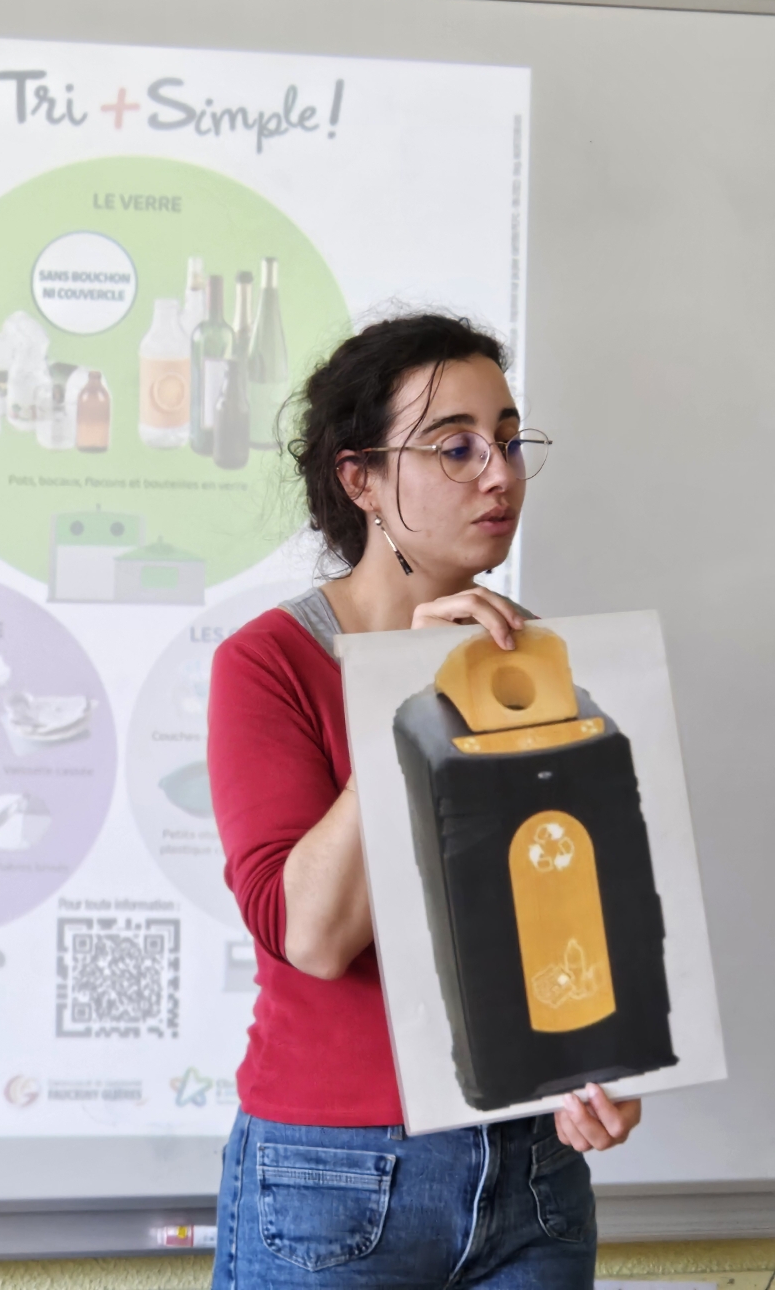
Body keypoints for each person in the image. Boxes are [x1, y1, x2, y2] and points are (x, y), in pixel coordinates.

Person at [207, 314, 641, 1289]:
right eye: (455, 447)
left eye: (509, 440)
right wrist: (409, 696)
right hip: (333, 1179)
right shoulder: (267, 663)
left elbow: (562, 919)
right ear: (359, 478)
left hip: (532, 1177)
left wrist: (601, 1068)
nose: (499, 474)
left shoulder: (542, 661)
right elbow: (313, 936)